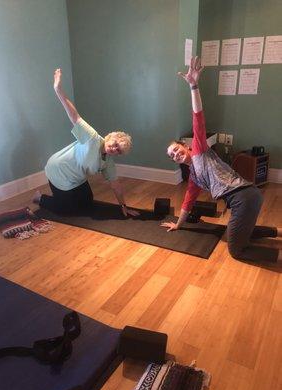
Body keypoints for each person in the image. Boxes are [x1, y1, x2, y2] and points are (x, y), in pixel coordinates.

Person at [161, 56, 282, 263]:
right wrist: (178, 225)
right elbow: (188, 203)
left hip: (242, 197)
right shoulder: (194, 178)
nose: (175, 154)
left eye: (175, 149)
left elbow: (197, 116)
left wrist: (193, 86)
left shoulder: (199, 150)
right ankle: (279, 232)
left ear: (186, 146)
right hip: (244, 199)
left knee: (237, 251)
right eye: (171, 156)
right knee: (244, 230)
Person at [33, 68, 139, 217]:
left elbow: (115, 185)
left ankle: (64, 199)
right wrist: (58, 90)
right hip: (59, 171)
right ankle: (40, 198)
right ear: (109, 137)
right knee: (69, 210)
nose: (114, 149)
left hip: (76, 178)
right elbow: (74, 116)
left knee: (88, 203)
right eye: (115, 144)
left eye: (118, 150)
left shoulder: (107, 163)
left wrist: (124, 206)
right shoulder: (92, 138)